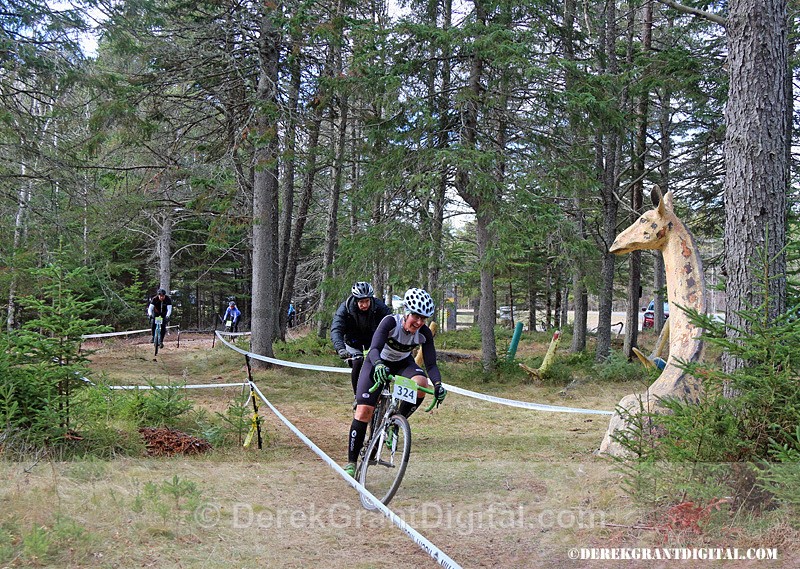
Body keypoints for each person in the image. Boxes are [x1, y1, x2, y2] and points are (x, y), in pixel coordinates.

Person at [343, 287, 446, 477]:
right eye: (416, 316)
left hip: (402, 364)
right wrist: (380, 365)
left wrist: (438, 385)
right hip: (377, 361)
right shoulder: (390, 322)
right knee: (364, 411)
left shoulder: (424, 333)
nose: (419, 322)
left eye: (423, 318)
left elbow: (431, 365)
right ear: (406, 312)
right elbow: (374, 349)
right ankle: (351, 461)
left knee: (421, 383)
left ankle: (395, 423)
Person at [331, 281, 391, 397]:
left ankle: (384, 390)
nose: (365, 305)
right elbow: (336, 329)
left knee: (382, 360)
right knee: (358, 361)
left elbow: (391, 320)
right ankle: (357, 396)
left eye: (367, 301)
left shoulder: (378, 306)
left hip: (373, 340)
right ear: (355, 300)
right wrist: (341, 349)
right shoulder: (345, 308)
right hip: (353, 342)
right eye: (361, 302)